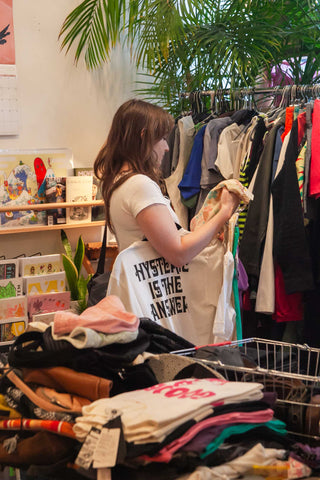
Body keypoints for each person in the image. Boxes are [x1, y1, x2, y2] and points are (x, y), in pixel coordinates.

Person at [94, 98, 240, 267]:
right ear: (144, 137)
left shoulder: (119, 180)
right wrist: (225, 212)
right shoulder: (139, 185)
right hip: (154, 292)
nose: (166, 147)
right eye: (162, 138)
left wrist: (208, 234)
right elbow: (178, 254)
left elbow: (167, 242)